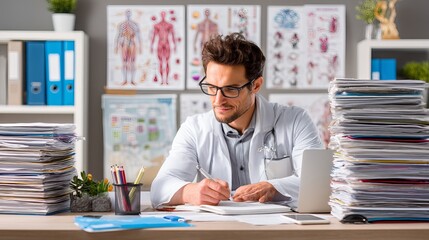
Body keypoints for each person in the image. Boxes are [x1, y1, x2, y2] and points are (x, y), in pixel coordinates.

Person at [150, 33, 323, 208]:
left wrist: (274, 187)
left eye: (230, 89)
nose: (218, 101)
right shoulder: (194, 129)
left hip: (277, 232)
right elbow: (159, 189)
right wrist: (190, 192)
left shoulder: (296, 121)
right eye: (211, 87)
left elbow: (318, 184)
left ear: (255, 85)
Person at [114, 9, 142, 86]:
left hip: (132, 44)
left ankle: (132, 80)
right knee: (124, 62)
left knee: (133, 62)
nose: (128, 15)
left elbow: (138, 35)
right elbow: (118, 35)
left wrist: (140, 46)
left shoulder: (135, 24)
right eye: (127, 13)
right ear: (125, 14)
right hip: (124, 44)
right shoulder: (121, 25)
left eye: (129, 13)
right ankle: (125, 80)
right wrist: (116, 46)